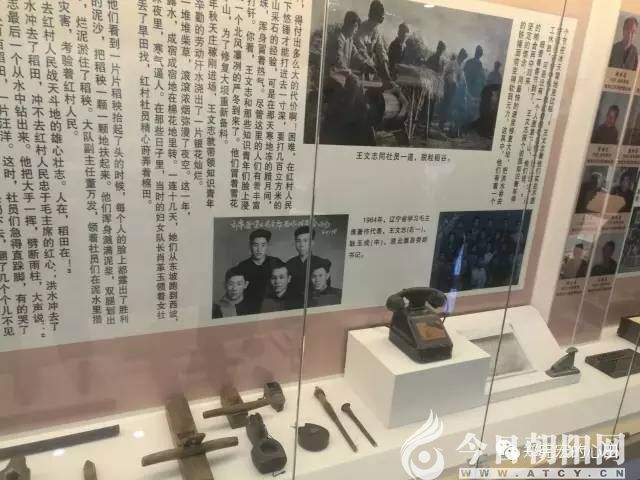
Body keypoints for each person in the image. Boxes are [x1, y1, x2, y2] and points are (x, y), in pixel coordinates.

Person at [237, 229, 282, 312]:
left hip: (273, 308)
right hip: (249, 309)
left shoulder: (276, 263)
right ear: (250, 246)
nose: (259, 249)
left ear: (267, 246)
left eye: (263, 245)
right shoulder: (242, 267)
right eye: (256, 245)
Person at [354, 0, 394, 87]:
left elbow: (381, 51)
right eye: (376, 21)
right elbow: (361, 51)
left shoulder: (376, 31)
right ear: (372, 16)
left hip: (370, 68)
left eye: (378, 22)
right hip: (358, 67)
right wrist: (372, 64)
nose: (377, 24)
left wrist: (387, 75)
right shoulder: (361, 30)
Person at [286, 226, 327, 299]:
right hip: (292, 302)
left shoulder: (322, 264)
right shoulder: (289, 264)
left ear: (312, 243)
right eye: (298, 241)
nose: (301, 245)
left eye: (305, 241)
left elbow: (326, 290)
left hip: (315, 302)